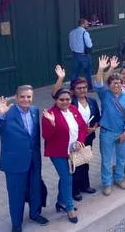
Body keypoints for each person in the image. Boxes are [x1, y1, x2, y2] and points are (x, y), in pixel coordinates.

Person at [0, 86, 50, 232]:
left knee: (35, 189)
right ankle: (16, 223)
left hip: (33, 160)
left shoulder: (34, 111)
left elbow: (34, 137)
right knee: (16, 194)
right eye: (22, 97)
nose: (26, 100)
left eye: (29, 97)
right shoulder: (7, 113)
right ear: (16, 97)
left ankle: (35, 214)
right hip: (14, 163)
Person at [51, 67, 101, 202]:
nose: (83, 90)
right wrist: (60, 78)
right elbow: (55, 94)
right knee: (74, 164)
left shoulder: (92, 101)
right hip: (73, 139)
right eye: (79, 88)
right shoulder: (69, 102)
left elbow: (97, 117)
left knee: (85, 161)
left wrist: (95, 127)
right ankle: (75, 190)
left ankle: (85, 185)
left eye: (84, 87)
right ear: (73, 90)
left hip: (88, 136)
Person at [41, 88, 88, 224]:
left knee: (66, 177)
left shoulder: (73, 109)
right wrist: (52, 123)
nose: (65, 102)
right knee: (67, 177)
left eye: (67, 99)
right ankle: (69, 207)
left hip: (73, 150)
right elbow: (46, 136)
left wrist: (80, 141)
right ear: (56, 100)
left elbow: (83, 128)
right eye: (61, 99)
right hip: (58, 152)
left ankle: (61, 202)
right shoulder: (49, 114)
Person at [94, 56, 125, 196]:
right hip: (106, 132)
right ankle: (106, 183)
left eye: (119, 83)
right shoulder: (104, 94)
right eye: (113, 83)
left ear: (122, 84)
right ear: (109, 84)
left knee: (122, 158)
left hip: (122, 132)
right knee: (106, 160)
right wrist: (102, 68)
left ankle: (119, 178)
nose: (116, 85)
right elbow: (98, 83)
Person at [69, 18, 93, 90]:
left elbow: (70, 44)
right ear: (82, 24)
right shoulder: (84, 33)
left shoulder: (72, 32)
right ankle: (89, 88)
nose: (87, 24)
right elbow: (89, 45)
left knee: (75, 72)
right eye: (86, 23)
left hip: (75, 54)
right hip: (84, 55)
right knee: (87, 72)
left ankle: (72, 87)